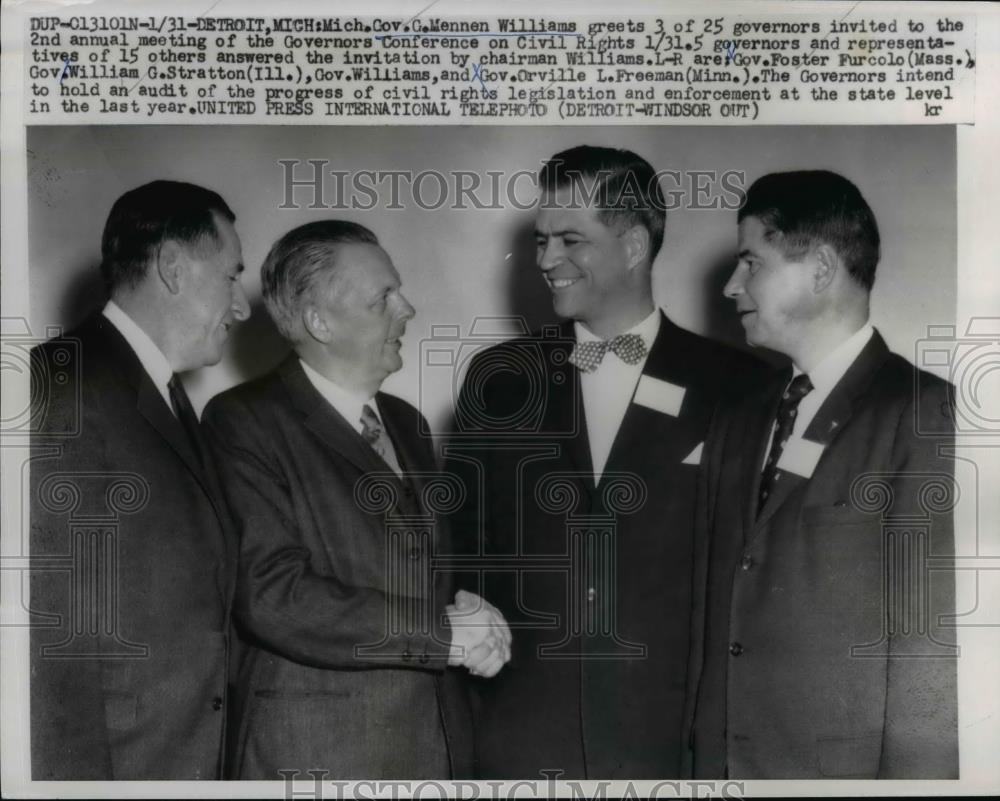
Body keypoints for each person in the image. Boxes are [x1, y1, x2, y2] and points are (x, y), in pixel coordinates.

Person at [445, 145, 764, 778]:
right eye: (540, 241)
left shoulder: (740, 384)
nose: (546, 260)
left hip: (670, 742)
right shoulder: (499, 379)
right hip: (521, 737)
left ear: (635, 245)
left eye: (571, 239)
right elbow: (459, 547)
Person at [202, 220, 511, 779]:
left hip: (434, 750)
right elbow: (273, 593)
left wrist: (471, 611)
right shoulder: (243, 422)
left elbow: (425, 572)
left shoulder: (407, 423)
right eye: (383, 298)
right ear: (319, 322)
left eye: (400, 289)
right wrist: (443, 634)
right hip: (317, 758)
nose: (408, 308)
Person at [684, 170, 958, 778]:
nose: (732, 286)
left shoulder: (923, 412)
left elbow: (930, 658)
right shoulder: (738, 418)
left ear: (821, 268)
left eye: (751, 263)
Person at [29, 180, 250, 779]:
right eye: (232, 277)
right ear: (173, 268)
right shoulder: (62, 386)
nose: (242, 306)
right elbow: (49, 640)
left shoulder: (171, 401)